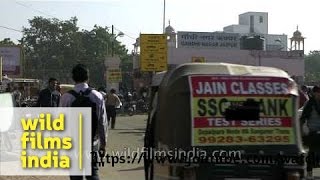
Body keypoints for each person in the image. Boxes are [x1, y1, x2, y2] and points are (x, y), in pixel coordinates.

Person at [59, 64, 107, 180]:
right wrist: (103, 144)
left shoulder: (66, 97)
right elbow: (102, 123)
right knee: (93, 173)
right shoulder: (97, 96)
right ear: (88, 77)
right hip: (92, 142)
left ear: (73, 78)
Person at [300, 85, 320, 179]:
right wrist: (301, 131)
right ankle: (309, 172)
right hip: (313, 131)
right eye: (318, 92)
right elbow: (303, 118)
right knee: (311, 153)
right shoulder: (310, 104)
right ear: (315, 93)